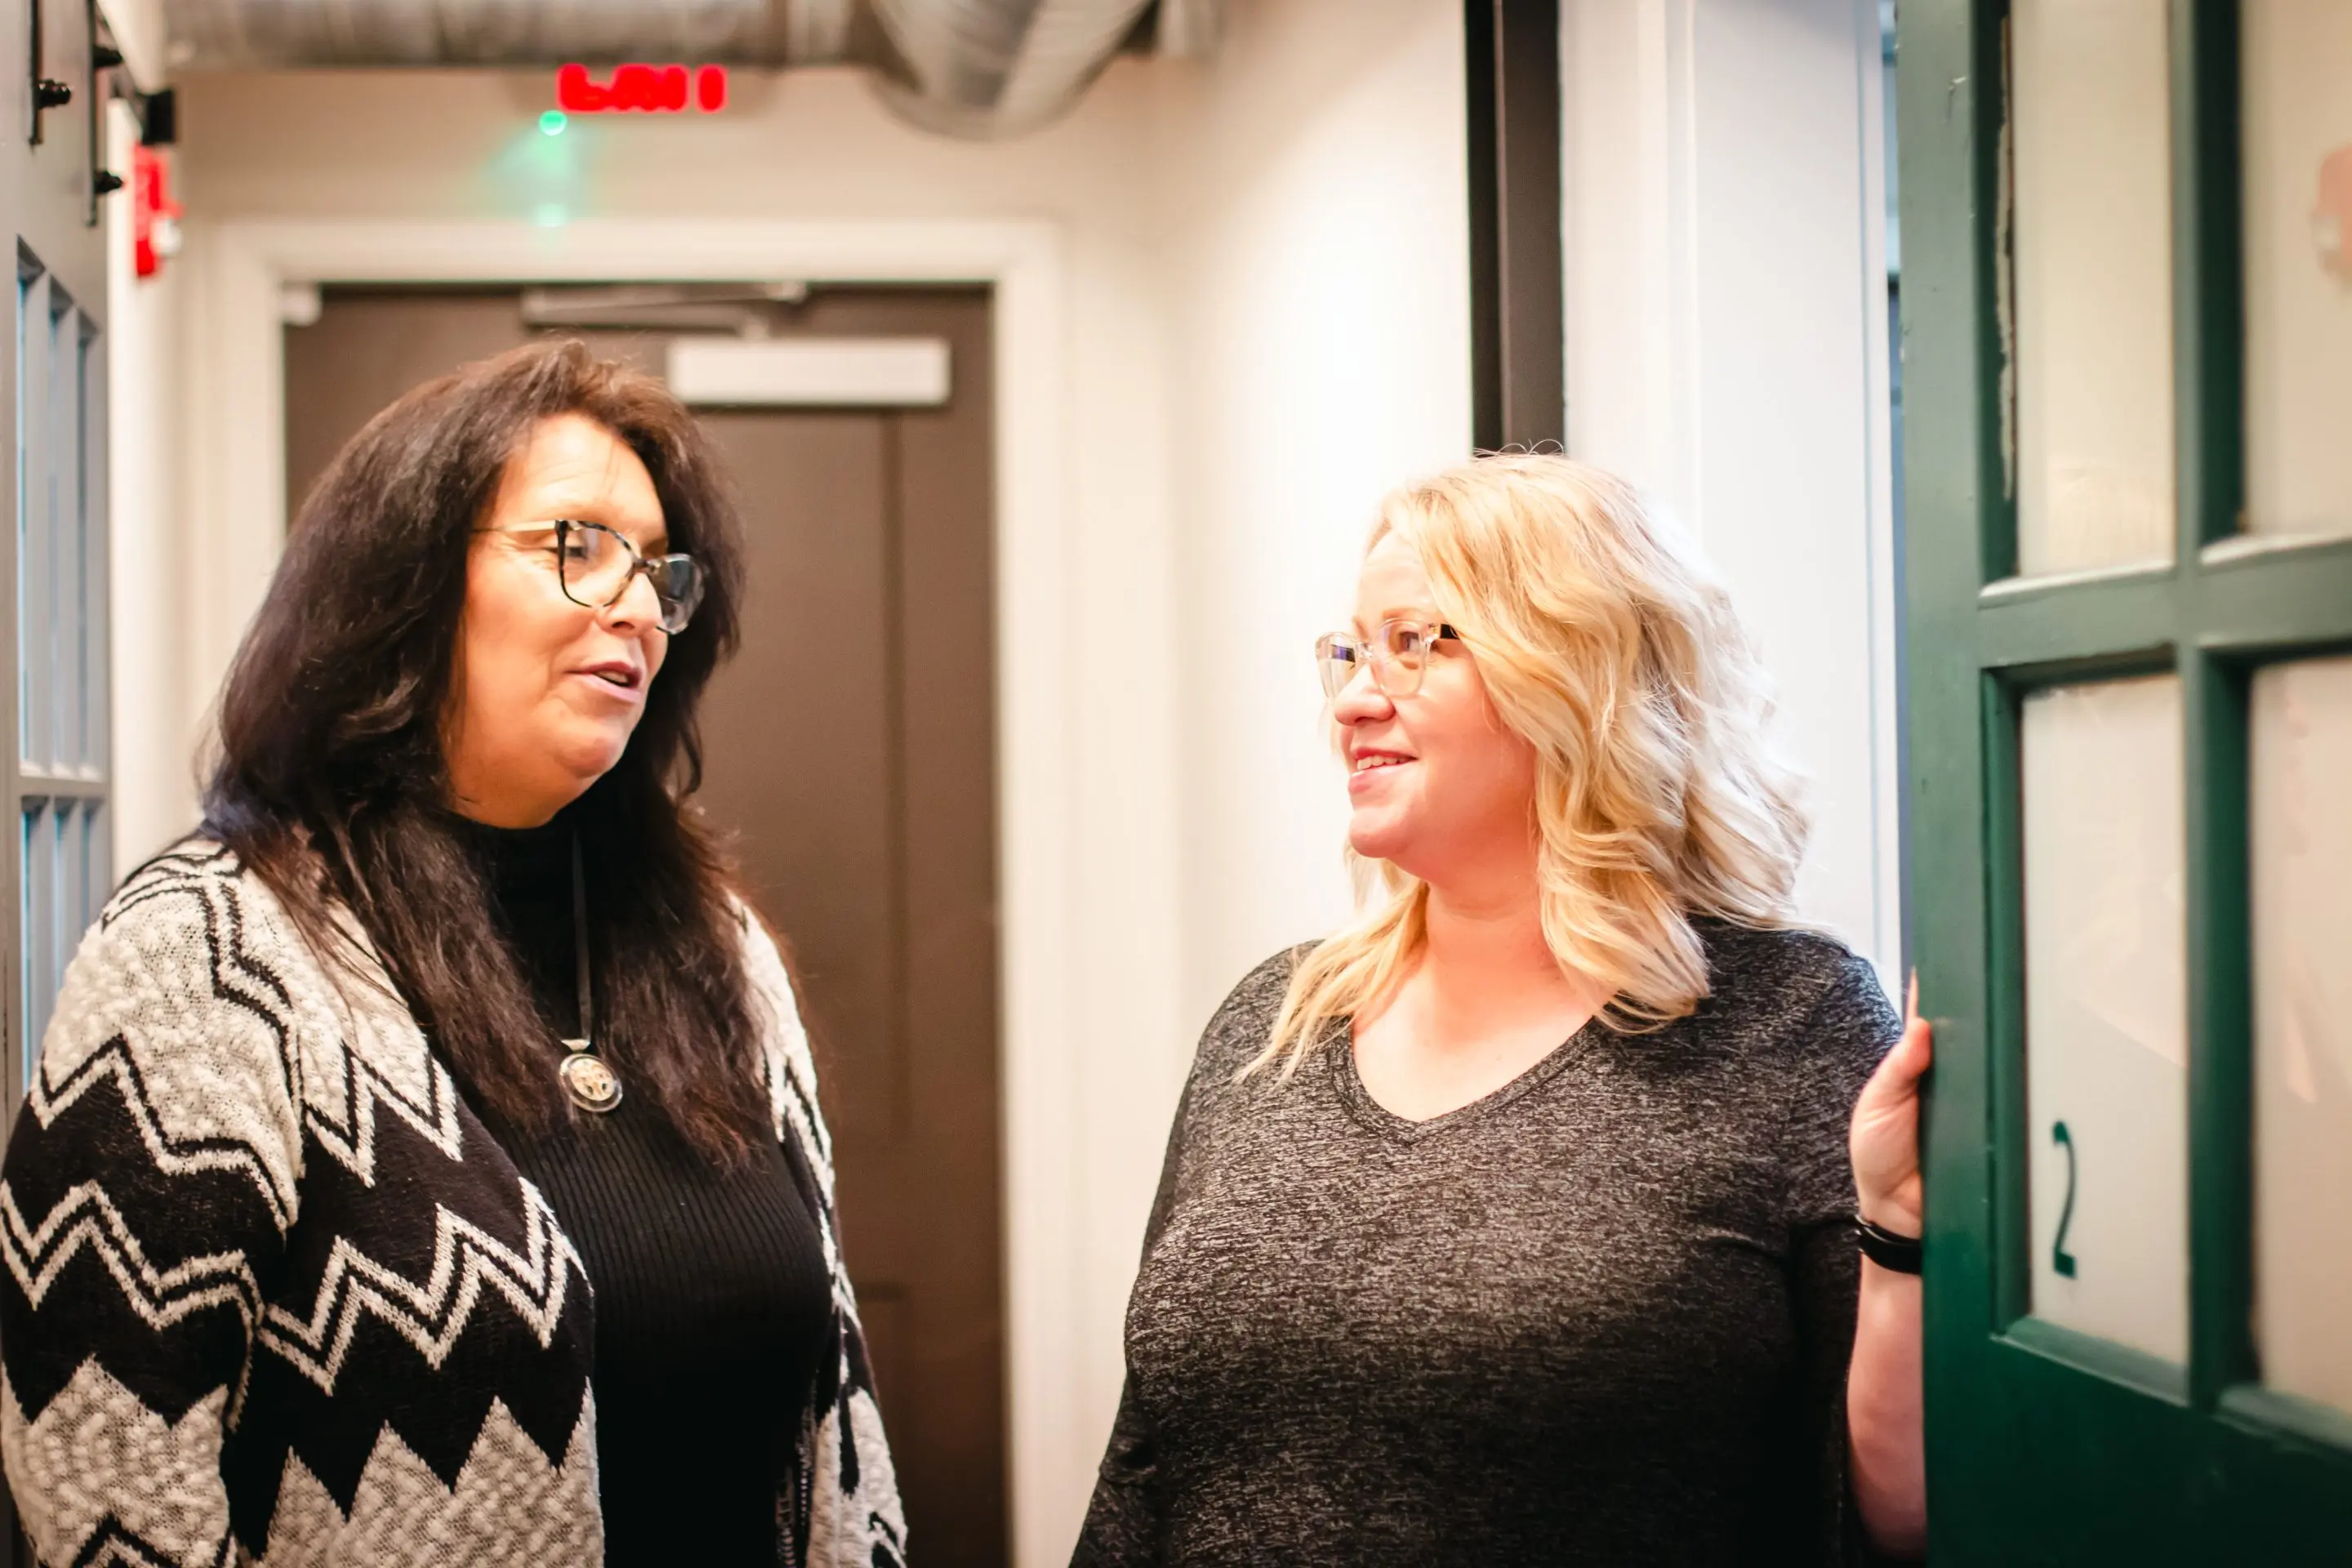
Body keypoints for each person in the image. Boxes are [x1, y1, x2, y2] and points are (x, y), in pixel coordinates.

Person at [0, 340, 904, 1567]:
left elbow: (833, 1424)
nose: (636, 605)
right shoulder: (207, 952)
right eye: (578, 547)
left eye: (658, 569)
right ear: (406, 586)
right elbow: (101, 1464)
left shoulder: (715, 950)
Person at [1076, 453, 1931, 1565]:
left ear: (1579, 676)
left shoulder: (1791, 1028)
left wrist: (1905, 1243)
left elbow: (1893, 1523)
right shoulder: (1275, 1022)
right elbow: (1146, 1462)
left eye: (1415, 641)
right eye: (1349, 648)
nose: (1352, 698)